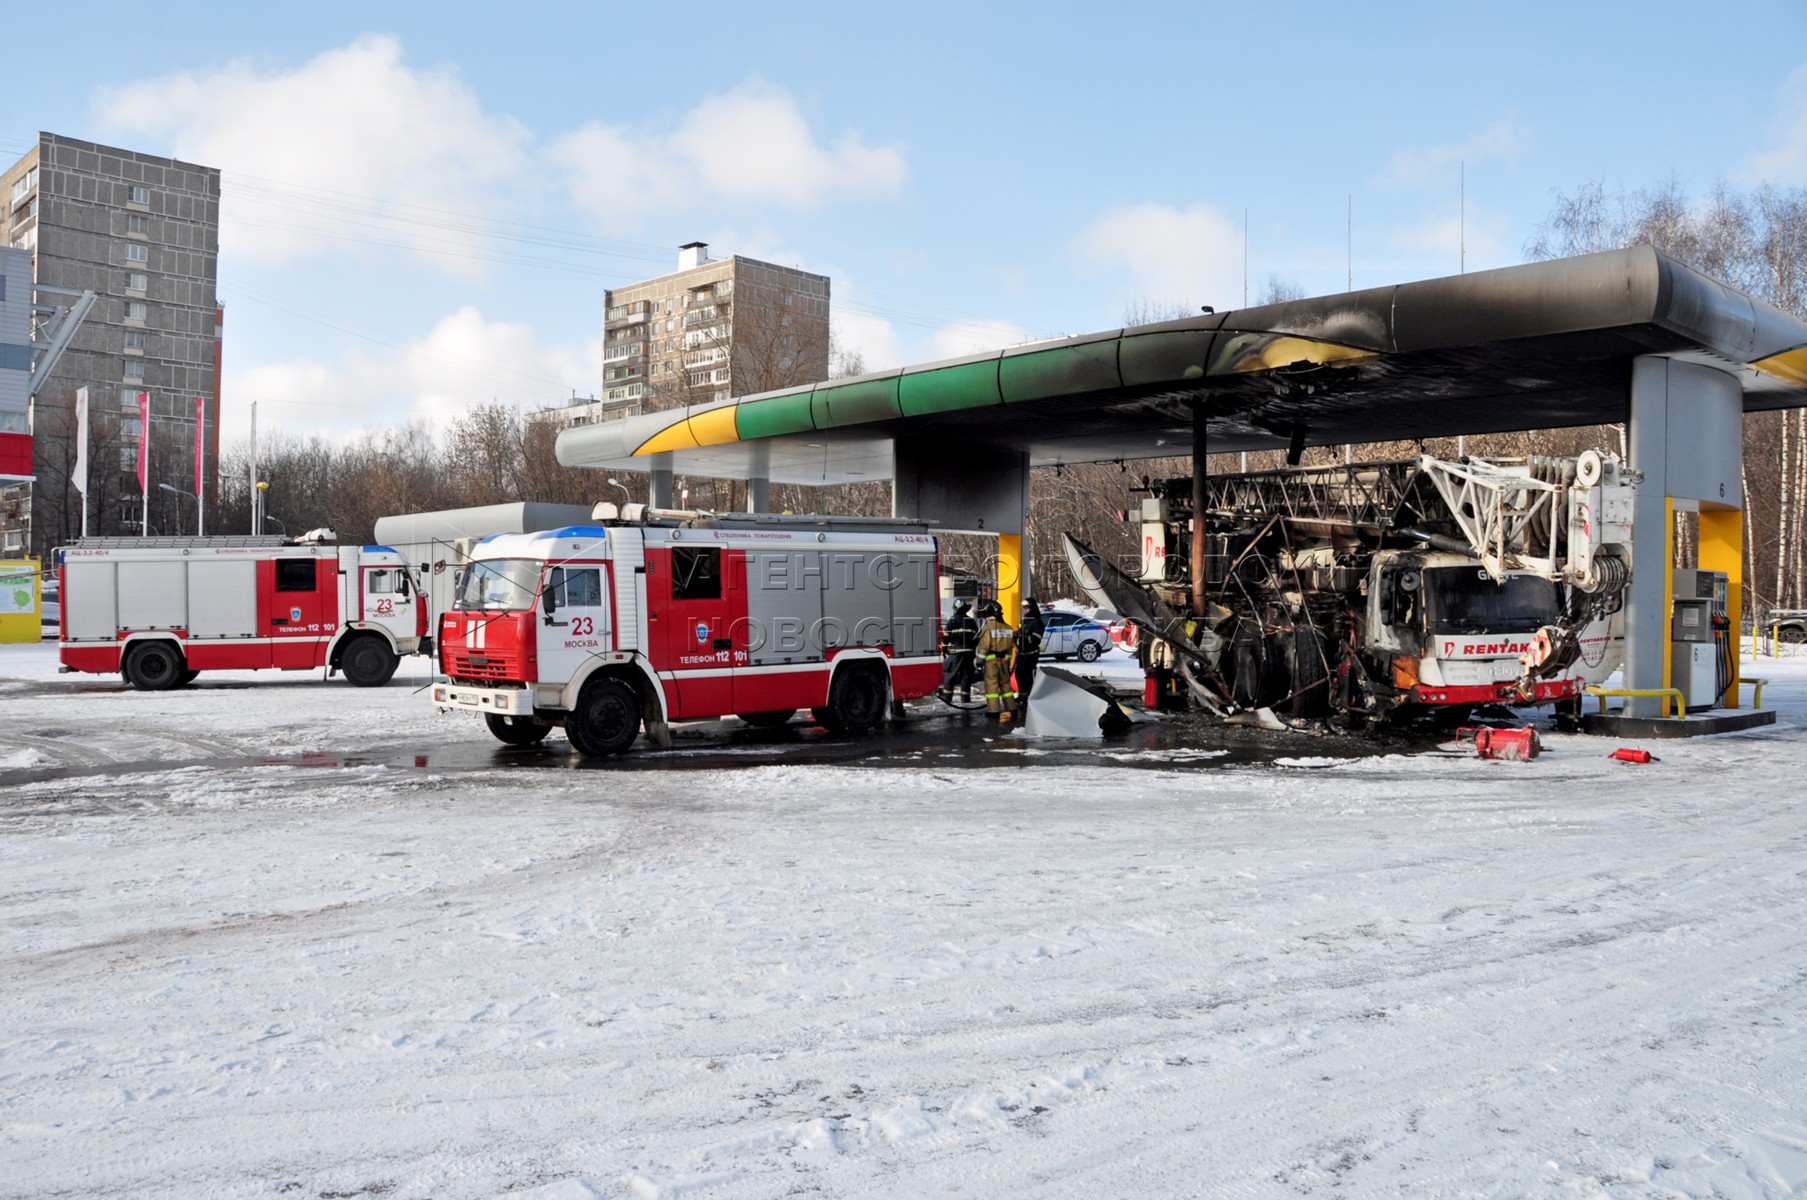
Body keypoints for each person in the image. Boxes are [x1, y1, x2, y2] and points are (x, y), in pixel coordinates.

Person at [974, 599, 1018, 722]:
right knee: (1006, 687)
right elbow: (1010, 648)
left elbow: (984, 647)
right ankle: (1012, 708)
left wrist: (979, 663)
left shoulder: (988, 628)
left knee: (992, 687)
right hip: (1004, 662)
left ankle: (993, 712)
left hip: (991, 663)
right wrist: (1008, 662)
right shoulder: (1008, 628)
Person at [938, 599, 978, 703]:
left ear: (955, 609)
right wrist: (972, 649)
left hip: (956, 653)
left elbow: (946, 638)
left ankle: (947, 700)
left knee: (950, 676)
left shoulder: (952, 620)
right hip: (969, 654)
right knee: (966, 676)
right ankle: (966, 701)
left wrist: (944, 650)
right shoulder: (971, 621)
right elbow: (977, 638)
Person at [1015, 597, 1045, 704]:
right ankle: (1022, 695)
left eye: (1027, 607)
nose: (1025, 610)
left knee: (1029, 676)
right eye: (1024, 608)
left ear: (1032, 608)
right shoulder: (1025, 620)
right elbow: (1018, 632)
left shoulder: (1037, 622)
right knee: (1019, 674)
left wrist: (1022, 639)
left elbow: (1035, 639)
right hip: (1021, 654)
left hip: (1030, 655)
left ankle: (1030, 697)